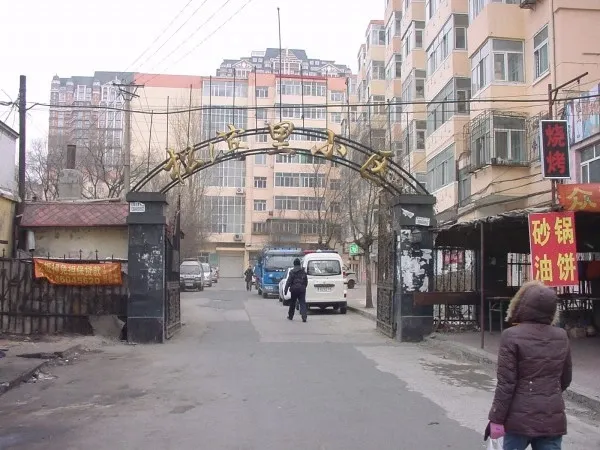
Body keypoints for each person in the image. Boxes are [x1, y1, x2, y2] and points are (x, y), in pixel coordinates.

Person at [487, 280, 572, 450]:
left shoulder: (511, 335)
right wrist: (547, 393)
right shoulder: (561, 336)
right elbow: (565, 379)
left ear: (522, 305)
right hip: (551, 418)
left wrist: (496, 418)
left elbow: (506, 384)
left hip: (517, 421)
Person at [284, 258, 308, 322]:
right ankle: (304, 317)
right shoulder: (303, 272)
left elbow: (289, 281)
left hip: (294, 290)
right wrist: (304, 287)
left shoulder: (292, 272)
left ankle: (290, 316)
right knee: (302, 303)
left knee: (292, 303)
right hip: (302, 289)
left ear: (294, 264)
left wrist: (286, 290)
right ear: (299, 264)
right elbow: (306, 281)